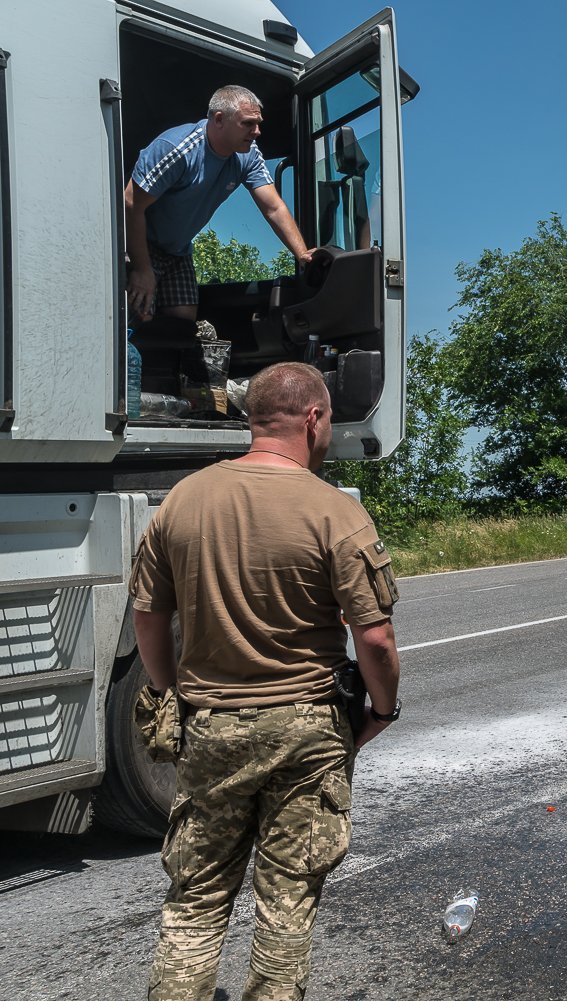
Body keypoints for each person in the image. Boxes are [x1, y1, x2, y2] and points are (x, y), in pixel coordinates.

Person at [130, 361, 401, 999]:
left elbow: (149, 620)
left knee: (196, 898)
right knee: (287, 902)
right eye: (329, 419)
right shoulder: (335, 512)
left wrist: (175, 693)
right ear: (312, 418)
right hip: (307, 728)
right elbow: (375, 640)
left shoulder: (182, 501)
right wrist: (381, 713)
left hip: (212, 725)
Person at [126, 85, 314, 323]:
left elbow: (273, 207)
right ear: (219, 119)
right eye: (248, 123)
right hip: (141, 241)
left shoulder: (248, 155)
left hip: (178, 250)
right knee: (141, 315)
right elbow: (131, 203)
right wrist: (142, 270)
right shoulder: (178, 149)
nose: (256, 131)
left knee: (182, 324)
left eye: (258, 123)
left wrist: (303, 255)